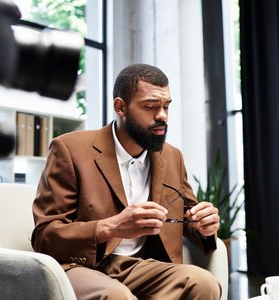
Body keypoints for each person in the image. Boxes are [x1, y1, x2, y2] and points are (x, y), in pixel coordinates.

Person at [32, 64, 222, 300]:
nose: (162, 115)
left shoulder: (172, 156)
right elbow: (45, 236)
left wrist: (204, 226)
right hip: (83, 265)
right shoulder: (69, 149)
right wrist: (112, 227)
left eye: (166, 106)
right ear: (120, 107)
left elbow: (187, 217)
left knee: (204, 283)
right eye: (150, 106)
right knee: (116, 296)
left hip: (141, 267)